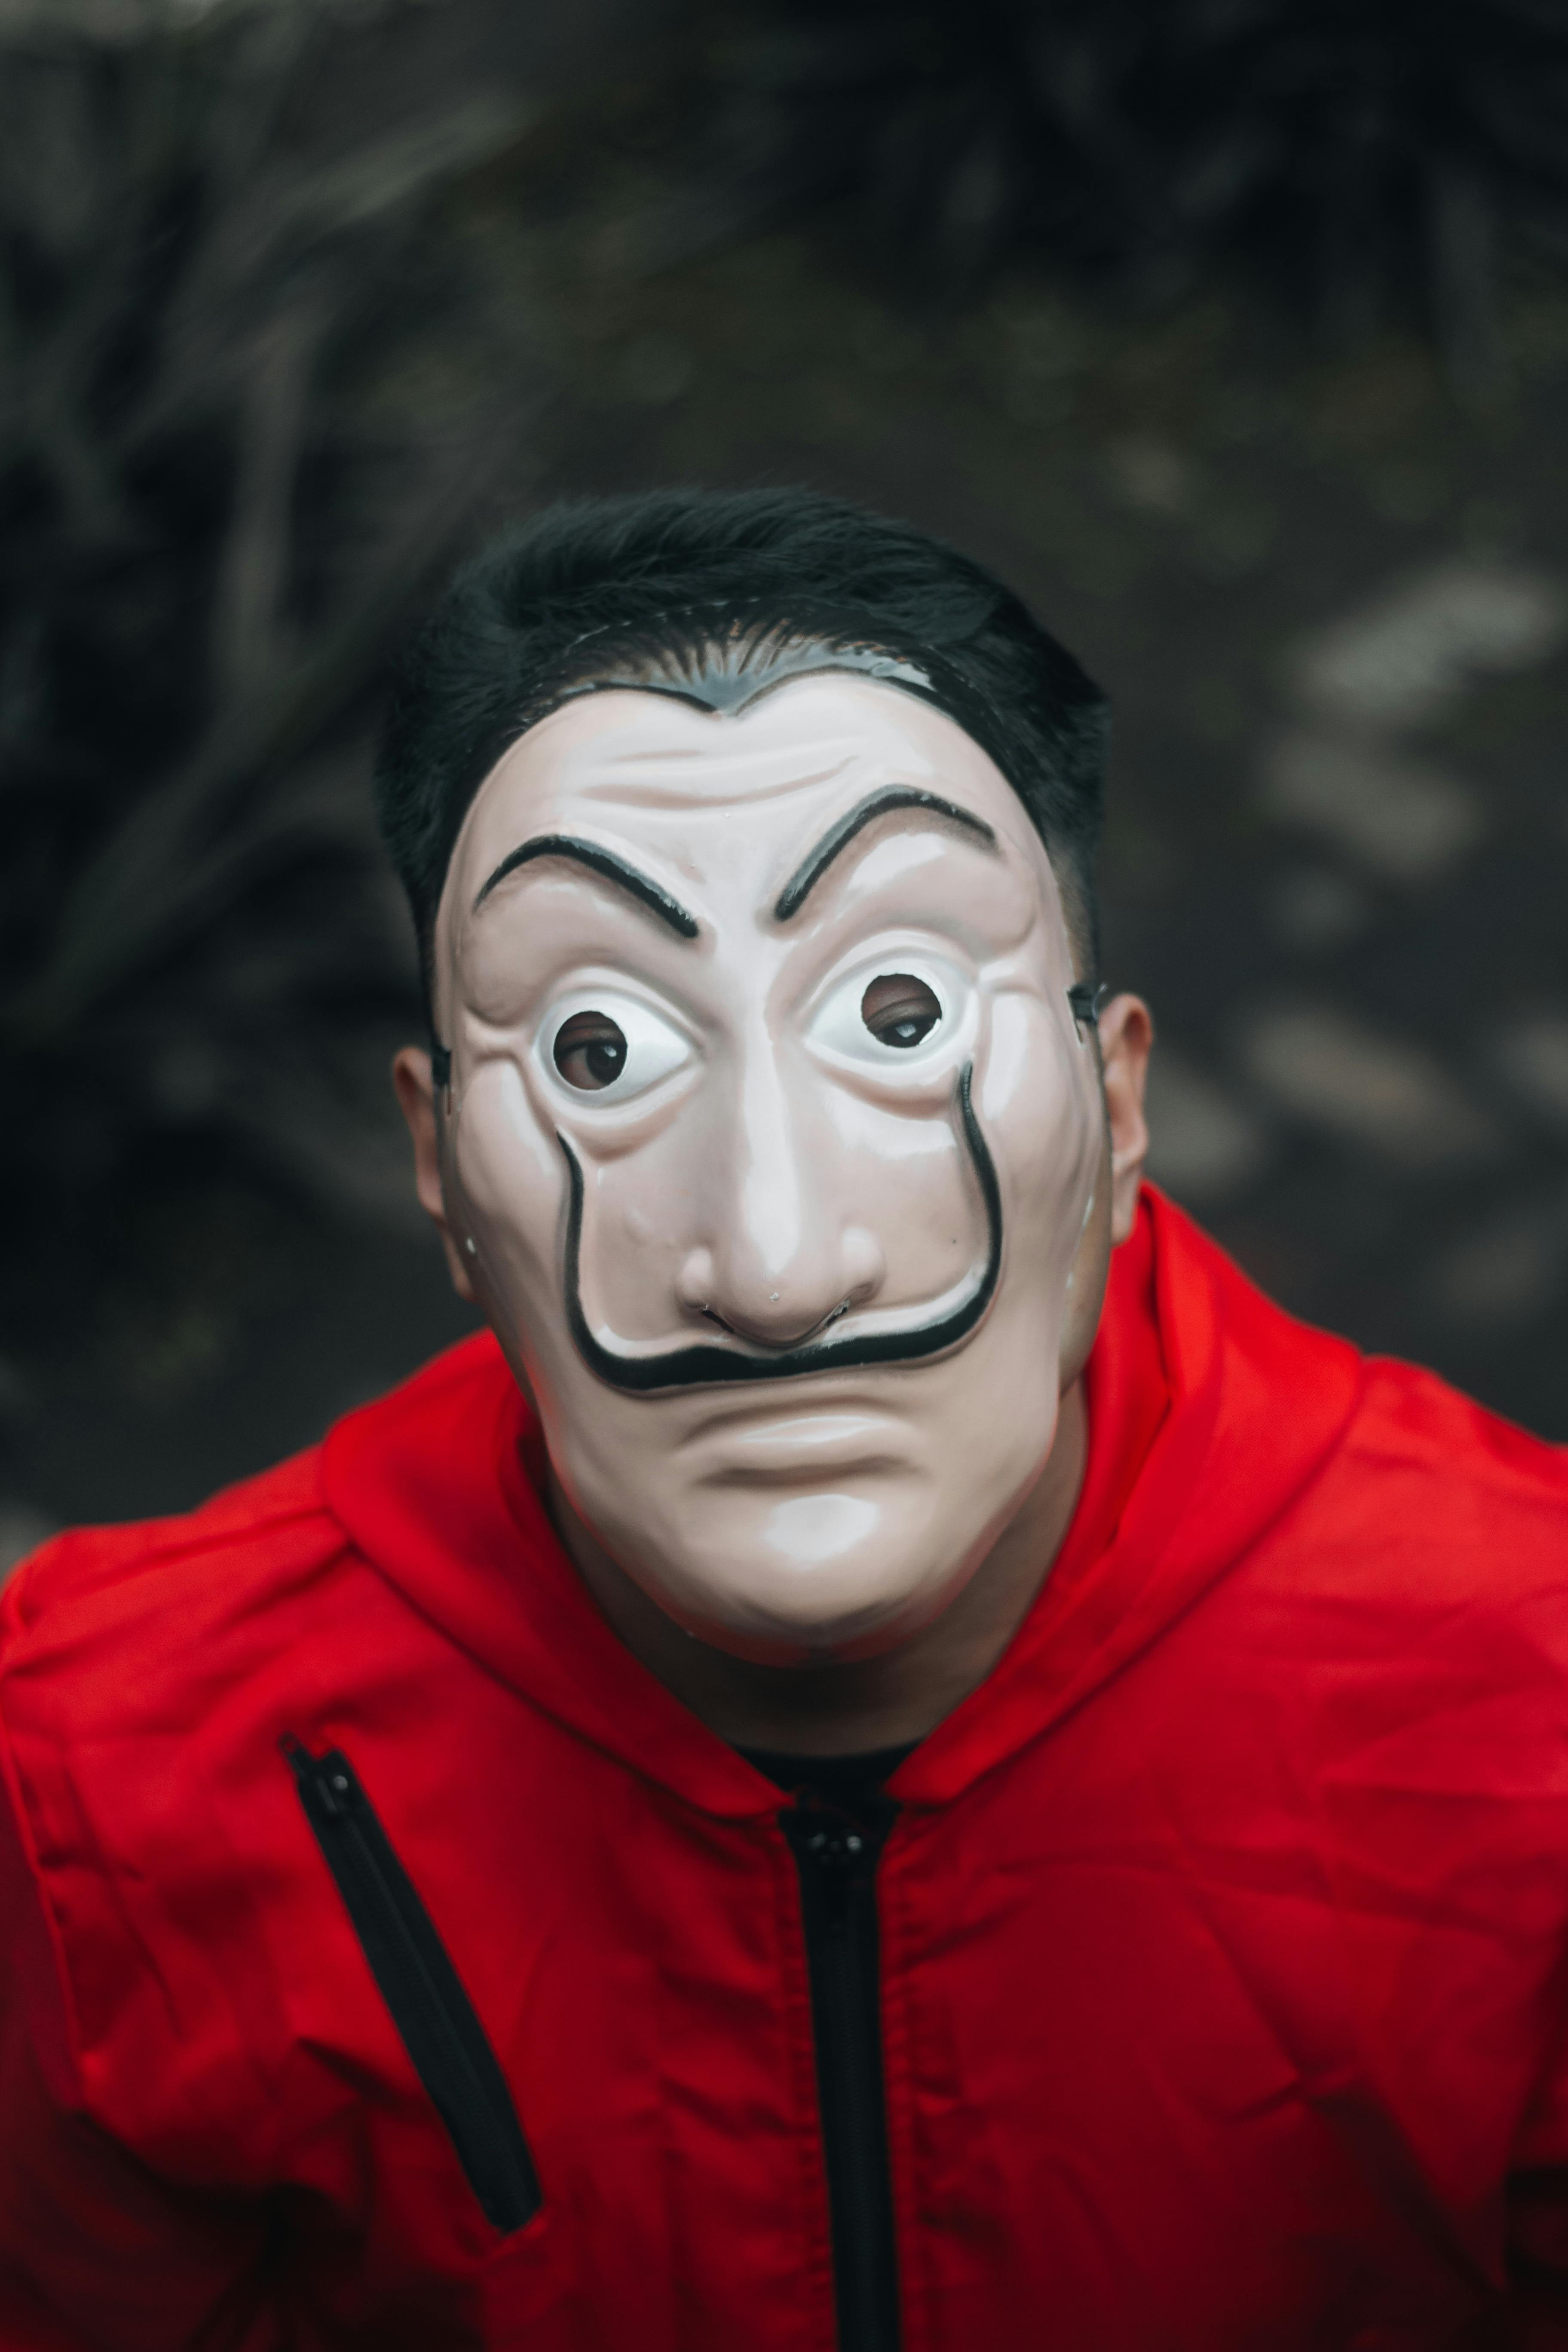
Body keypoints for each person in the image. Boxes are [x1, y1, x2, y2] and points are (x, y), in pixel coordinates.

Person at [2, 487, 1566, 2352]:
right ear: (438, 1167)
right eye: (599, 1050)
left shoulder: (1534, 1700)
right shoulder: (89, 1777)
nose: (774, 1260)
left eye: (899, 1009)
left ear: (1119, 1103)